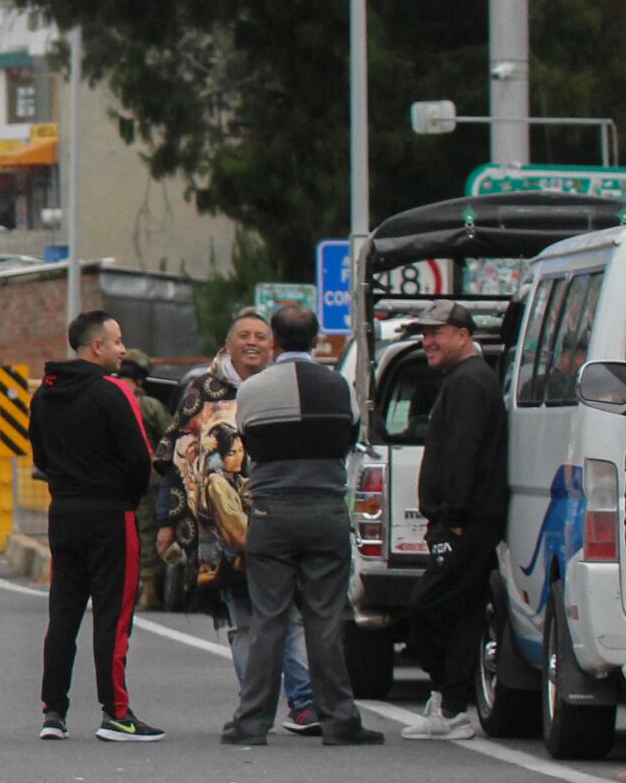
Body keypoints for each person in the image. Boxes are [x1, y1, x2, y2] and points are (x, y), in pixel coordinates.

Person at [223, 307, 383, 746]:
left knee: (268, 619)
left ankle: (251, 723)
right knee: (325, 620)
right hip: (325, 510)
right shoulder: (339, 386)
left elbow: (247, 441)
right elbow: (349, 438)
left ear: (273, 339)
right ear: (315, 340)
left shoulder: (253, 389)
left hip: (272, 512)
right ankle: (340, 721)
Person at [156, 309, 319, 734]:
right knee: (243, 617)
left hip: (282, 516)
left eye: (261, 337)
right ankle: (254, 707)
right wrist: (167, 520)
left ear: (274, 346)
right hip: (220, 527)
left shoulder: (286, 387)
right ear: (227, 345)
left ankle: (304, 703)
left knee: (293, 612)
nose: (253, 343)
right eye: (243, 335)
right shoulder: (202, 392)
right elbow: (175, 460)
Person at [32, 310, 163, 743]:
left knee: (63, 615)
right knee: (113, 616)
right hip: (111, 516)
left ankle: (53, 712)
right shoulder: (114, 393)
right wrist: (124, 497)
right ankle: (117, 714)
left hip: (63, 514)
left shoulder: (43, 395)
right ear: (97, 347)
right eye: (118, 341)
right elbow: (140, 460)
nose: (123, 350)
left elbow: (41, 460)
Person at [400, 300, 505, 741]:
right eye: (424, 334)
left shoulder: (469, 383)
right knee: (462, 615)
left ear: (464, 335)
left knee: (425, 609)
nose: (428, 342)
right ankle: (452, 707)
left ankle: (445, 694)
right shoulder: (466, 379)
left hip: (464, 522)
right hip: (468, 520)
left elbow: (463, 452)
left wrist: (453, 518)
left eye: (437, 332)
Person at [117, 350, 172, 610]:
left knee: (115, 537)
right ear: (141, 378)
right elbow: (171, 439)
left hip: (112, 482)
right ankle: (150, 592)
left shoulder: (107, 400)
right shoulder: (150, 405)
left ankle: (112, 593)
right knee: (147, 535)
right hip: (148, 482)